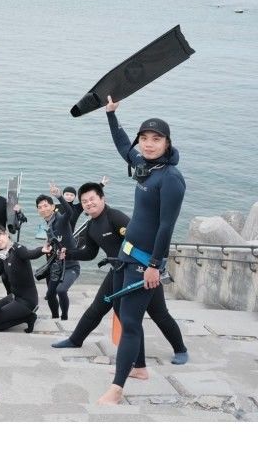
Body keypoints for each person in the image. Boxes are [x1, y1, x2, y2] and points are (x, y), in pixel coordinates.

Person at [97, 97, 186, 405]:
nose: (148, 144)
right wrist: (111, 115)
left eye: (156, 139)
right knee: (122, 310)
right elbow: (124, 147)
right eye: (145, 138)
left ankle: (117, 389)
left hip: (145, 260)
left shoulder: (171, 179)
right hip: (127, 253)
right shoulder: (144, 166)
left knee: (132, 321)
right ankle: (141, 367)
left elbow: (166, 227)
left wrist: (154, 266)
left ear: (167, 142)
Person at [51, 182, 188, 367]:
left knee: (158, 313)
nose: (89, 203)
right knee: (98, 307)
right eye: (84, 201)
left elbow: (142, 239)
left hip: (141, 271)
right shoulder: (92, 226)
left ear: (102, 199)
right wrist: (68, 253)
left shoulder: (114, 217)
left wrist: (153, 267)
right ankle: (75, 340)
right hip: (117, 270)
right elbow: (90, 253)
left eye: (92, 199)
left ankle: (180, 350)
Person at [0, 225, 48, 332]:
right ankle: (16, 313)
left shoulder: (18, 249)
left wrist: (42, 250)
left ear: (6, 234)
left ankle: (29, 317)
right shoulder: (4, 255)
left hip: (27, 301)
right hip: (14, 297)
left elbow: (30, 254)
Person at [36, 187, 80, 320]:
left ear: (53, 206)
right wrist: (47, 244)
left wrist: (59, 196)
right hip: (57, 267)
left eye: (46, 205)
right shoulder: (48, 224)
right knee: (49, 295)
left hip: (71, 266)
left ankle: (64, 318)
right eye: (40, 207)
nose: (43, 209)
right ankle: (54, 317)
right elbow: (53, 238)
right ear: (38, 211)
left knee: (61, 291)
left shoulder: (61, 219)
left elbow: (69, 211)